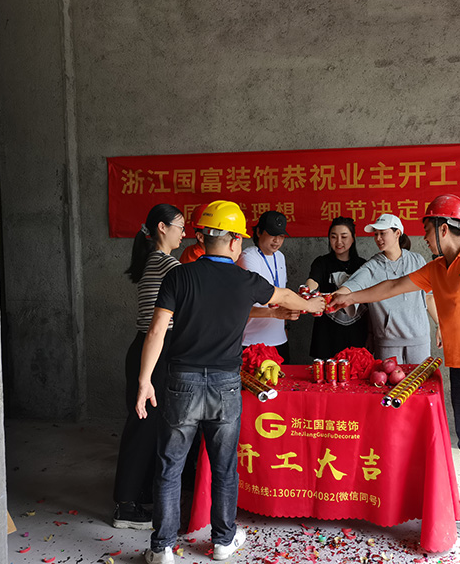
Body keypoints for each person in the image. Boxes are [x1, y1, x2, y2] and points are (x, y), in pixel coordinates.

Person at [329, 195, 460, 553]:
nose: (424, 238)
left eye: (427, 231)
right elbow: (393, 286)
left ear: (443, 229)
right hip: (459, 368)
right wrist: (351, 298)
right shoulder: (437, 268)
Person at [135, 200, 324, 564]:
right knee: (224, 467)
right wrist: (315, 306)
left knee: (170, 466)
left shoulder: (179, 276)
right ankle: (222, 541)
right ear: (236, 241)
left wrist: (145, 381)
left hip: (182, 383)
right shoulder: (245, 281)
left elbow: (156, 330)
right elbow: (284, 297)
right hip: (225, 386)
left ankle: (162, 549)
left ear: (201, 237)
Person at [112, 203, 185, 530]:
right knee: (143, 426)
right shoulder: (167, 264)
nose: (183, 233)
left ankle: (137, 493)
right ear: (162, 228)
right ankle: (125, 506)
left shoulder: (154, 261)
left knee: (148, 426)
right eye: (179, 226)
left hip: (147, 347)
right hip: (154, 350)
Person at [336, 213, 436, 365]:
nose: (378, 238)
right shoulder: (372, 266)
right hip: (387, 342)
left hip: (419, 340)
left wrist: (439, 325)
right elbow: (351, 287)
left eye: (382, 233)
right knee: (386, 380)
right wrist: (331, 297)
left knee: (420, 380)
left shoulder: (417, 260)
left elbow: (428, 296)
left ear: (397, 233)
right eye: (376, 234)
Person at [237, 210, 297, 363]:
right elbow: (243, 306)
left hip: (280, 341)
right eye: (272, 234)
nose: (277, 240)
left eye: (281, 236)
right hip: (252, 343)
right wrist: (276, 313)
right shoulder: (248, 257)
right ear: (258, 232)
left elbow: (282, 295)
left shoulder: (280, 257)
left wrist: (285, 326)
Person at [305, 217, 369, 359]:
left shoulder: (363, 265)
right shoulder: (321, 262)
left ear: (353, 238)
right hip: (327, 333)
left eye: (344, 237)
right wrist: (307, 291)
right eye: (334, 237)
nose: (339, 242)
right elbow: (312, 281)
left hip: (357, 332)